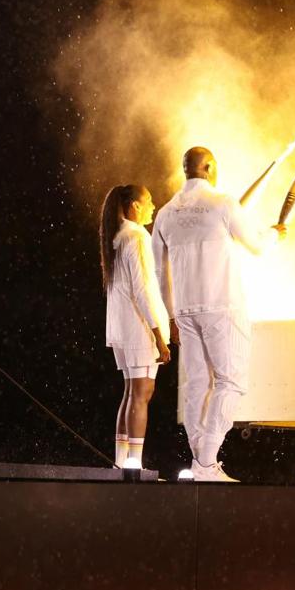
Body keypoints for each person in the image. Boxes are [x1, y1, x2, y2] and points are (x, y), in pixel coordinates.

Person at [153, 147, 286, 482]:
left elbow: (158, 272)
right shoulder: (223, 204)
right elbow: (256, 246)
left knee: (199, 384)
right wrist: (275, 233)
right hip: (223, 306)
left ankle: (203, 464)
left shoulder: (167, 214)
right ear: (209, 167)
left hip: (185, 310)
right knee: (230, 381)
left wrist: (170, 318)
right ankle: (207, 461)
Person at [100, 184, 171, 470]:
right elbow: (143, 290)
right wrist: (159, 335)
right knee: (141, 395)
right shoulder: (137, 236)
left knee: (131, 393)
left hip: (121, 329)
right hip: (138, 328)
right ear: (135, 206)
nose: (154, 206)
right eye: (150, 201)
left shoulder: (116, 237)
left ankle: (122, 463)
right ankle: (134, 465)